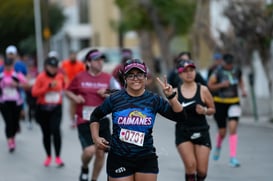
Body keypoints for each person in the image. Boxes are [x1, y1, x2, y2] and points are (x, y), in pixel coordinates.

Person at [90, 58, 184, 181]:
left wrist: (171, 97)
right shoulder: (115, 99)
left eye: (139, 74)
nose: (135, 78)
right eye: (131, 75)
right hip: (119, 157)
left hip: (146, 157)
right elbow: (95, 116)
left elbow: (180, 117)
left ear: (145, 77)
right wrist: (96, 138)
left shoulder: (153, 100)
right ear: (125, 78)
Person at [65, 49, 121, 181]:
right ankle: (84, 167)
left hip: (102, 120)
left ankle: (93, 179)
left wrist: (107, 92)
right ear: (88, 62)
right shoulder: (80, 77)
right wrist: (75, 97)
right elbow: (67, 91)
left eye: (101, 60)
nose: (100, 62)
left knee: (101, 154)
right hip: (85, 120)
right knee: (90, 151)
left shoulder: (108, 78)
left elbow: (120, 92)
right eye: (96, 60)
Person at [175, 60, 215, 181]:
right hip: (183, 132)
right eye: (185, 71)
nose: (189, 73)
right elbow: (171, 113)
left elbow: (213, 109)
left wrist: (204, 110)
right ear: (180, 74)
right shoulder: (175, 92)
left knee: (202, 171)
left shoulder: (203, 90)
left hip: (202, 131)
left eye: (191, 70)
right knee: (191, 166)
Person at [207, 53, 247, 167]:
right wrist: (221, 85)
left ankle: (233, 157)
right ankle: (218, 146)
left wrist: (243, 90)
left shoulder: (237, 70)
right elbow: (210, 85)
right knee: (222, 132)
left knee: (233, 128)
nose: (229, 66)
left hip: (234, 102)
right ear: (223, 62)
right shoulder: (217, 72)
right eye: (227, 64)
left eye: (231, 64)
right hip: (219, 103)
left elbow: (240, 80)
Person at [31, 56, 67, 167]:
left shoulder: (60, 76)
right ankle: (48, 156)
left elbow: (64, 87)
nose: (53, 69)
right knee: (46, 133)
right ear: (46, 66)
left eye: (55, 67)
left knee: (56, 130)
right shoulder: (41, 77)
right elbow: (34, 92)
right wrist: (47, 87)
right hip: (43, 109)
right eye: (51, 67)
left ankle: (58, 157)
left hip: (56, 108)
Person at [0, 57, 28, 152]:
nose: (8, 68)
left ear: (12, 66)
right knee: (8, 122)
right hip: (4, 102)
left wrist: (17, 85)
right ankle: (10, 141)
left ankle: (13, 137)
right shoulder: (1, 75)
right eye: (6, 66)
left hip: (16, 102)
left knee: (15, 122)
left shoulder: (17, 75)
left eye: (9, 66)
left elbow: (26, 84)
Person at [61, 50, 85, 128]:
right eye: (71, 55)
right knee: (72, 103)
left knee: (78, 103)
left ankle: (77, 118)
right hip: (69, 87)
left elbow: (83, 75)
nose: (73, 57)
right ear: (69, 56)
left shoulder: (80, 65)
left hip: (78, 87)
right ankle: (72, 119)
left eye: (74, 55)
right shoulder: (64, 64)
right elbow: (61, 74)